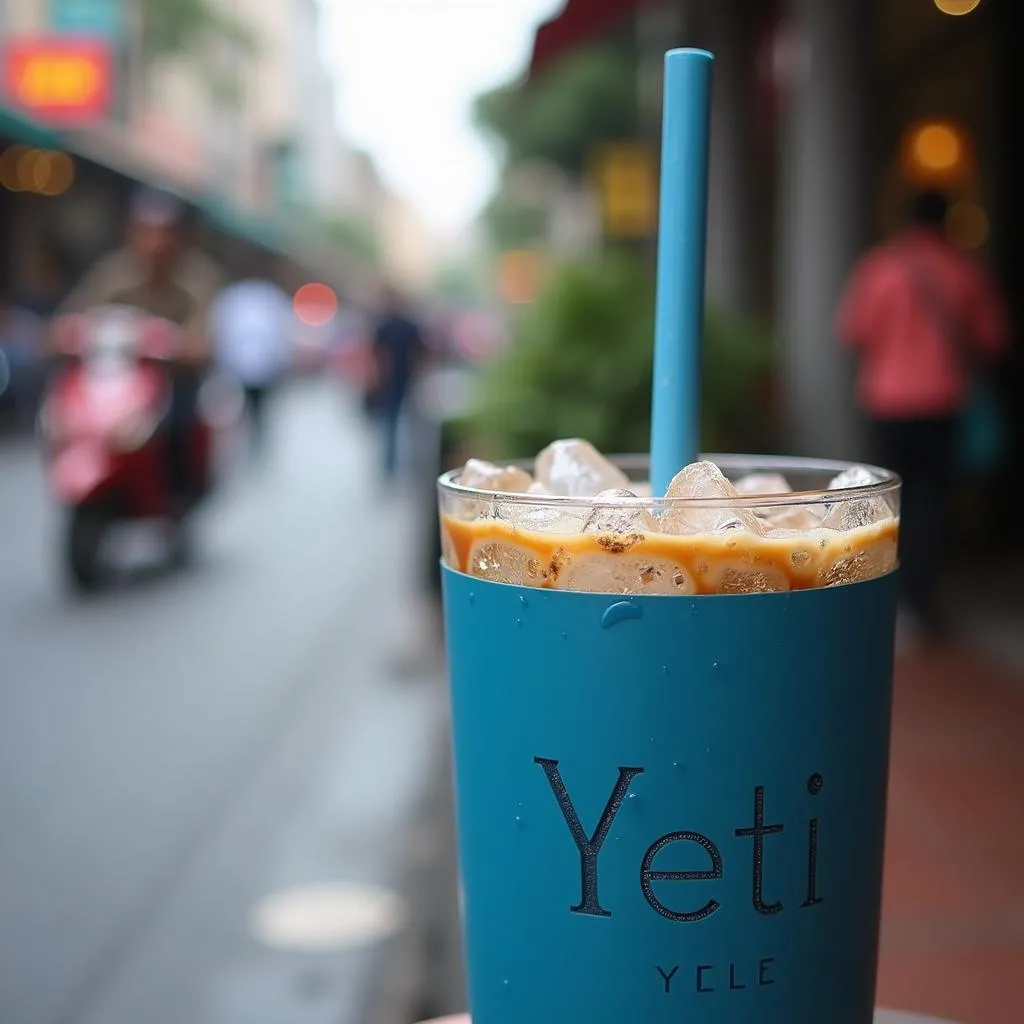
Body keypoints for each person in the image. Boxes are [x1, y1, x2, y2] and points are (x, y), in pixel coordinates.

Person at [836, 189, 1009, 638]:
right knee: (931, 501)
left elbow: (852, 331)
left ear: (906, 219)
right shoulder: (964, 270)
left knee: (883, 499)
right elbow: (993, 339)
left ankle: (880, 591)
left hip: (887, 401)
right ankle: (917, 602)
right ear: (947, 221)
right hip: (940, 401)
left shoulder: (881, 266)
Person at [55, 187, 223, 512]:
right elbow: (76, 312)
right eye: (146, 232)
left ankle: (178, 495)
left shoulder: (197, 278)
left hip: (171, 380)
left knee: (178, 424)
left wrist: (187, 346)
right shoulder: (113, 273)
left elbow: (206, 334)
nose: (154, 243)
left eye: (163, 234)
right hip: (117, 377)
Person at [209, 255, 294, 456]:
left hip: (255, 367)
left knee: (251, 409)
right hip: (247, 367)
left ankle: (251, 442)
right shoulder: (269, 297)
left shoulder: (239, 296)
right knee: (247, 410)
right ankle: (249, 442)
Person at [370, 285, 427, 481]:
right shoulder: (407, 325)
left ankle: (390, 467)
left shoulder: (384, 325)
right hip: (404, 381)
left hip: (396, 382)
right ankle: (399, 467)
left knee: (391, 426)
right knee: (399, 427)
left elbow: (377, 355)